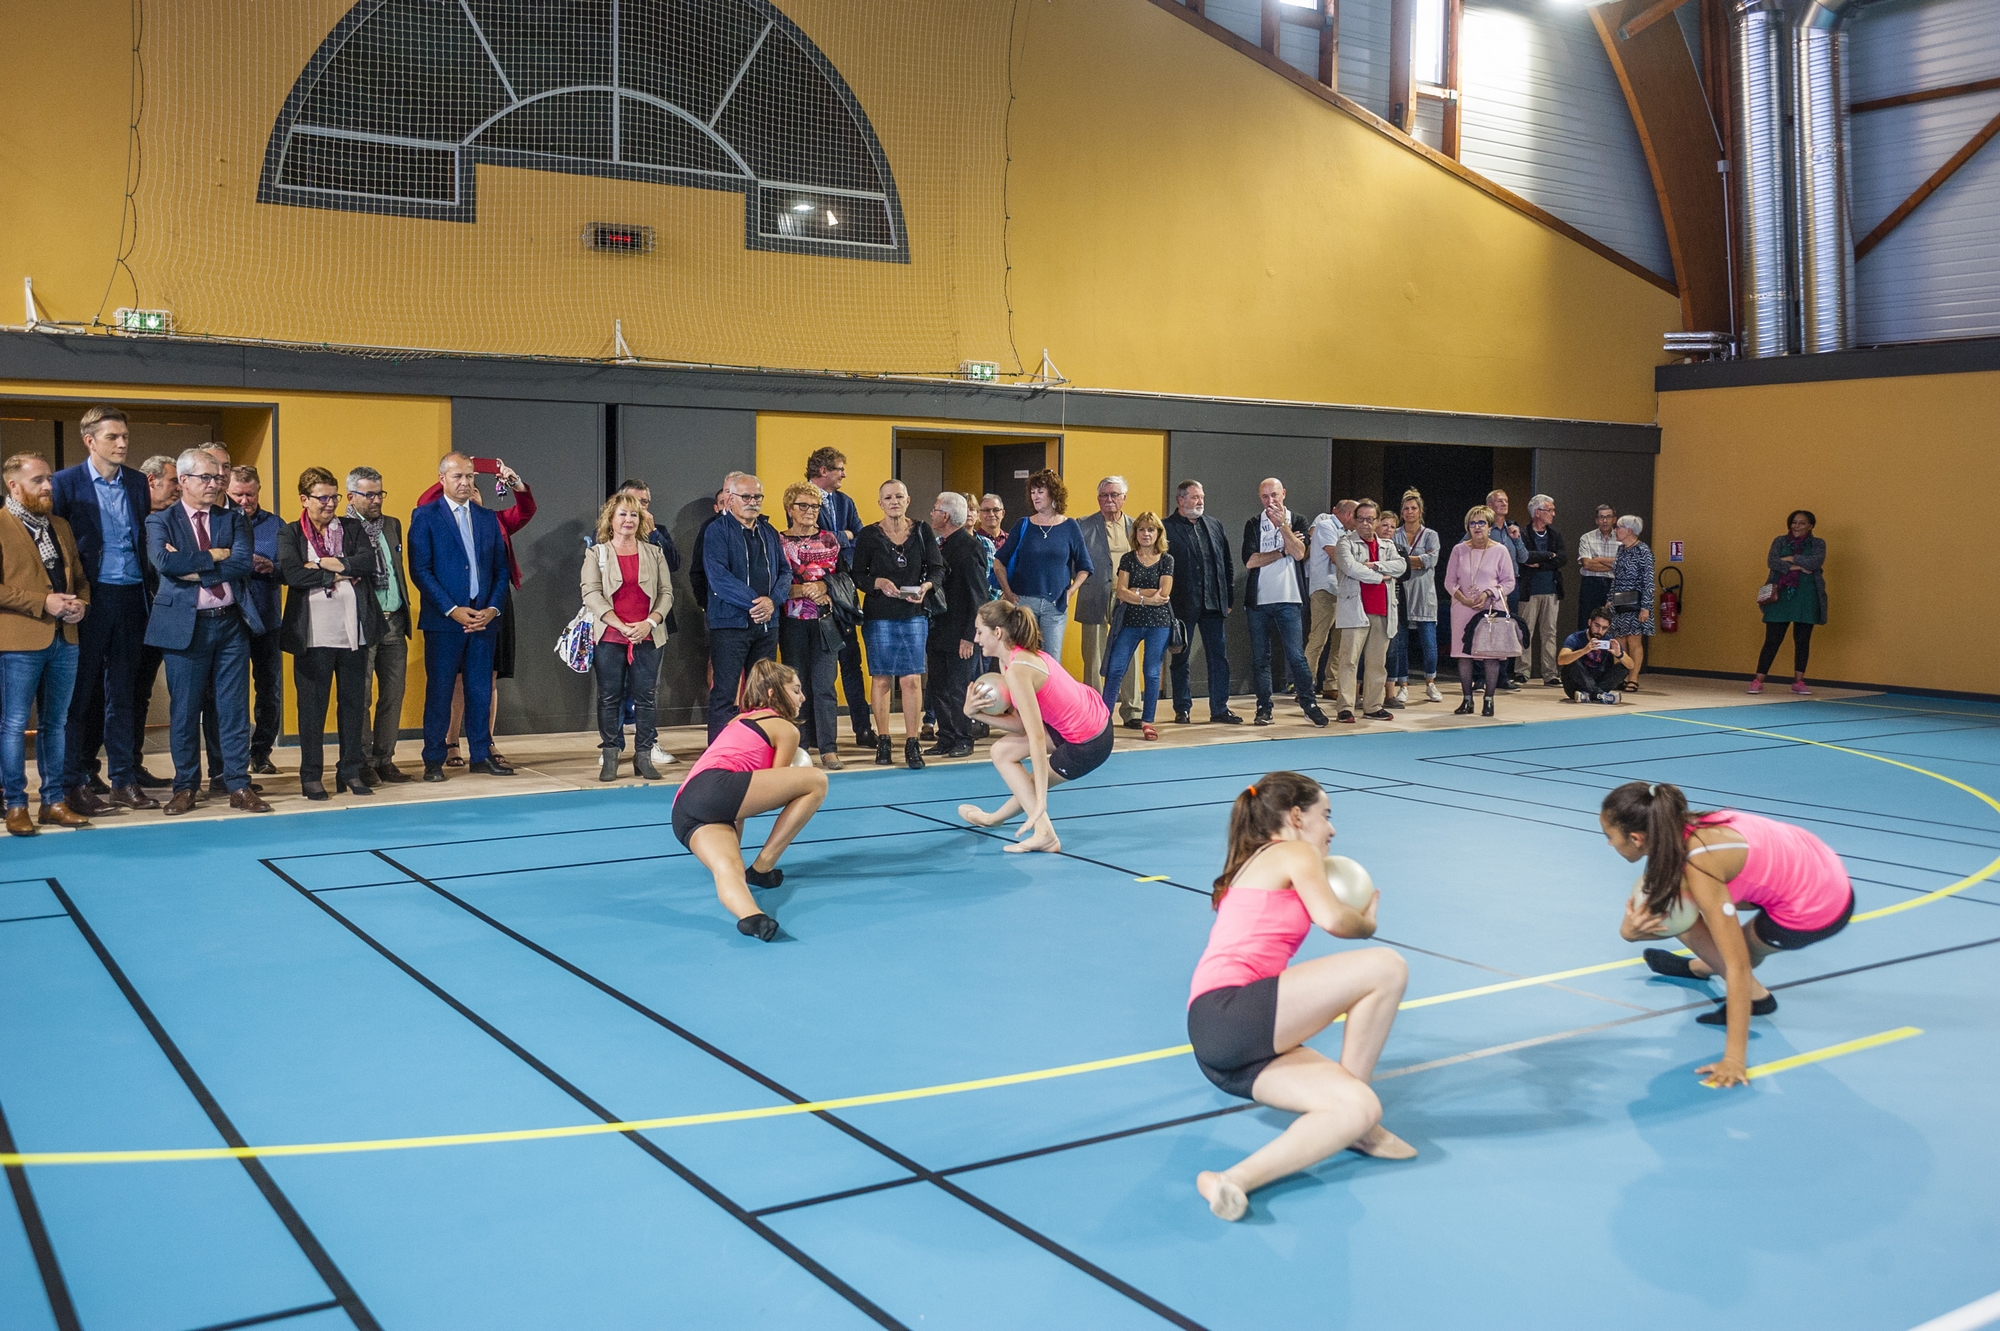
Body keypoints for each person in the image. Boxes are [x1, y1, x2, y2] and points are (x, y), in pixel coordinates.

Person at [1187, 772, 1414, 1222]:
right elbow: (1333, 919)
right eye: (1325, 816)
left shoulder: (1257, 861)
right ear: (1296, 816)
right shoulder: (1290, 850)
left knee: (1358, 1106)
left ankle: (1232, 1180)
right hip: (1230, 1010)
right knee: (1386, 966)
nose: (1331, 829)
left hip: (1225, 1049)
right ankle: (1361, 1124)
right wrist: (1366, 923)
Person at [1603, 780, 1856, 1087]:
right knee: (1673, 902)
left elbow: (1737, 966)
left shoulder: (1701, 864)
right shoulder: (1674, 828)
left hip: (1819, 904)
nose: (1609, 845)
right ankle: (1699, 968)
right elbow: (1665, 913)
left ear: (1636, 838)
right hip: (1813, 860)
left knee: (1740, 956)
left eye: (1609, 837)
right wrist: (1630, 932)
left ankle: (1757, 998)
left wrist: (1734, 1059)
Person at [143, 449, 273, 814]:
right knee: (184, 711)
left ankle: (238, 785)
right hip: (185, 626)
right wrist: (215, 555)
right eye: (207, 478)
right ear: (183, 480)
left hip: (231, 623)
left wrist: (196, 566)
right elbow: (165, 563)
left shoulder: (232, 519)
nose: (215, 484)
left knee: (233, 709)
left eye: (218, 478)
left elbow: (243, 562)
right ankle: (185, 787)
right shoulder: (161, 521)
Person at [672, 659, 827, 943]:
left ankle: (752, 917)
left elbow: (743, 799)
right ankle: (762, 869)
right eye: (796, 690)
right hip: (716, 788)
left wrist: (734, 834)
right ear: (772, 692)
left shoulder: (738, 720)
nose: (803, 697)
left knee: (729, 868)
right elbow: (775, 790)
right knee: (816, 781)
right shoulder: (785, 728)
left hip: (684, 808)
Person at [51, 406, 155, 815]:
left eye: (125, 436)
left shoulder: (135, 482)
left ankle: (124, 781)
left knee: (124, 695)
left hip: (132, 596)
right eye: (113, 437)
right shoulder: (65, 483)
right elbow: (56, 547)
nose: (123, 443)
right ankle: (73, 782)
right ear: (89, 440)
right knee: (81, 696)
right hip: (91, 599)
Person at [957, 600, 1112, 854]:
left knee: (1030, 784)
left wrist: (1040, 800)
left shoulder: (1018, 670)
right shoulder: (1009, 661)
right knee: (1002, 753)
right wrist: (973, 713)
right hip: (1071, 725)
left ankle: (1045, 834)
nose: (976, 639)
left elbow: (1037, 739)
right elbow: (1021, 725)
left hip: (1089, 740)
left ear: (998, 632)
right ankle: (993, 819)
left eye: (979, 632)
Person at [418, 460, 533, 768]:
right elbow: (421, 570)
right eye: (459, 476)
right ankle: (434, 758)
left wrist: (491, 609)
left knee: (482, 689)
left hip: (486, 617)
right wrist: (453, 610)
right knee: (442, 690)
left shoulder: (489, 520)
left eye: (470, 477)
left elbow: (500, 568)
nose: (466, 483)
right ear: (442, 478)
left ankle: (481, 755)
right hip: (445, 619)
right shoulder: (427, 515)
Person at [277, 466, 382, 800]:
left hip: (353, 631)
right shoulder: (291, 533)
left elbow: (368, 563)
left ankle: (350, 770)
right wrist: (336, 572)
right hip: (311, 636)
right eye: (322, 498)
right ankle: (311, 775)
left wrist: (324, 563)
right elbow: (293, 574)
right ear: (304, 499)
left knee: (353, 705)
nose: (330, 504)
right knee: (312, 709)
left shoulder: (352, 528)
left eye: (334, 497)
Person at [0, 454, 91, 834]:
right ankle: (16, 804)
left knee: (57, 723)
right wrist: (44, 602)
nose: (48, 486)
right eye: (38, 480)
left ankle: (53, 801)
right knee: (15, 724)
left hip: (65, 638)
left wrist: (81, 605)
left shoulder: (60, 525)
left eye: (49, 479)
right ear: (14, 486)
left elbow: (81, 580)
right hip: (20, 640)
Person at [582, 493, 672, 782]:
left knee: (646, 698)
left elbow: (666, 594)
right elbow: (591, 595)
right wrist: (619, 625)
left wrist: (649, 622)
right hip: (610, 636)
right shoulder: (596, 554)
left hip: (648, 635)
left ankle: (643, 756)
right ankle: (611, 755)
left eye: (634, 515)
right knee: (610, 697)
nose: (629, 520)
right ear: (610, 519)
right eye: (623, 514)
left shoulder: (655, 553)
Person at [853, 479, 940, 769]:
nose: (894, 501)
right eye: (888, 497)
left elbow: (939, 568)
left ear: (908, 500)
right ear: (880, 503)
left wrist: (927, 586)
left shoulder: (922, 531)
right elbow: (857, 576)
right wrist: (876, 582)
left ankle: (912, 742)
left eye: (899, 496)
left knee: (912, 679)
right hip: (879, 613)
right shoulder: (867, 535)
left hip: (914, 613)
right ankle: (885, 740)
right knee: (881, 677)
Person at [702, 472, 790, 743]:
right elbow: (718, 577)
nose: (753, 502)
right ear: (730, 499)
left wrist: (772, 601)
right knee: (725, 692)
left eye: (757, 497)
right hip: (730, 625)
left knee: (764, 692)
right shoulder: (716, 531)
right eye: (746, 497)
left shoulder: (769, 532)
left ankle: (756, 746)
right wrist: (757, 603)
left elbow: (785, 572)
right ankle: (718, 754)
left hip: (767, 626)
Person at [1241, 478, 1328, 728]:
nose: (1271, 501)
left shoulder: (1297, 520)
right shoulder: (1253, 524)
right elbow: (1250, 561)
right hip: (1258, 602)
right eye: (1266, 497)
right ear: (1260, 498)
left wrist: (1283, 528)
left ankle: (1309, 704)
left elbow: (1300, 553)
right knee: (1261, 658)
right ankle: (1264, 708)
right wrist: (1281, 552)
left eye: (1275, 495)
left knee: (1296, 656)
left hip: (1289, 599)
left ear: (1284, 494)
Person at [345, 467, 413, 783]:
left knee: (393, 693)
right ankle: (361, 762)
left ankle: (385, 758)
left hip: (394, 620)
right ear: (351, 497)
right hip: (361, 622)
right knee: (361, 696)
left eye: (379, 493)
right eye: (369, 494)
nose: (376, 500)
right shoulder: (341, 527)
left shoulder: (392, 525)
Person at [807, 447, 874, 749]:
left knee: (851, 659)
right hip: (815, 591)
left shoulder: (845, 501)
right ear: (823, 471)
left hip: (845, 587)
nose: (844, 475)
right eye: (840, 469)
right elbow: (813, 539)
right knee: (819, 667)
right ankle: (816, 735)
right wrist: (841, 536)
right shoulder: (803, 498)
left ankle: (862, 726)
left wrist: (840, 537)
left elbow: (859, 536)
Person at [778, 481, 846, 769]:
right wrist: (801, 590)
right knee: (796, 687)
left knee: (824, 686)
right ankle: (800, 746)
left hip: (824, 622)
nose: (809, 511)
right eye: (803, 505)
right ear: (789, 509)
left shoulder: (830, 539)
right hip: (791, 622)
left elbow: (844, 578)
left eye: (814, 506)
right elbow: (775, 582)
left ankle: (829, 749)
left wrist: (826, 589)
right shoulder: (778, 540)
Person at [225, 466, 287, 777]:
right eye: (238, 494)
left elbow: (293, 569)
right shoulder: (220, 522)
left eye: (250, 494)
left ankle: (261, 752)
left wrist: (271, 567)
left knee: (270, 690)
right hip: (231, 621)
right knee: (231, 692)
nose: (245, 500)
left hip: (267, 620)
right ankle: (231, 758)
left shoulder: (276, 525)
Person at [1163, 481, 1238, 725]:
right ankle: (1182, 708)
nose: (1200, 502)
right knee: (1180, 658)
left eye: (1202, 497)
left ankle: (1219, 708)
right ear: (1181, 500)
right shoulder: (1166, 528)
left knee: (1219, 657)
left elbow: (1226, 562)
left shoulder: (1214, 525)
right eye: (1195, 497)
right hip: (1182, 604)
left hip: (1214, 603)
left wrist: (1228, 597)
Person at [1098, 510, 1174, 740]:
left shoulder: (1167, 559)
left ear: (1158, 533)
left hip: (1158, 624)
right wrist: (1146, 598)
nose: (1146, 533)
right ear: (1136, 533)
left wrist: (1136, 593)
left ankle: (1148, 721)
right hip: (1129, 622)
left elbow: (1165, 592)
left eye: (1150, 529)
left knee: (1151, 673)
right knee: (1115, 670)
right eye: (1141, 529)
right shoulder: (1128, 559)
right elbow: (1121, 591)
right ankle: (1102, 721)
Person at [925, 492, 991, 760]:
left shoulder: (970, 548)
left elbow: (979, 596)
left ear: (946, 516)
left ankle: (963, 738)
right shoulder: (940, 545)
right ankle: (947, 737)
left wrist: (969, 636)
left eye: (935, 508)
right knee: (938, 686)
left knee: (958, 689)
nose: (931, 513)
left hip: (960, 633)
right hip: (939, 629)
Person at [1002, 469, 1092, 660]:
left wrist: (1071, 591)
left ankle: (1048, 692)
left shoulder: (1070, 526)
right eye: (1033, 492)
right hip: (1025, 602)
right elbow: (998, 562)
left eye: (1040, 492)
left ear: (1053, 493)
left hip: (1056, 604)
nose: (1035, 496)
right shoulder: (1023, 524)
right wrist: (1008, 592)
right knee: (1023, 657)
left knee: (1052, 660)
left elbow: (1085, 566)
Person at [1329, 499, 1405, 723]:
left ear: (1377, 520)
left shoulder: (1387, 546)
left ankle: (1373, 705)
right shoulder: (1345, 543)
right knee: (1349, 661)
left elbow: (1401, 566)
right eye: (1360, 519)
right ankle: (1345, 707)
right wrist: (1380, 576)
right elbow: (1351, 568)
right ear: (1353, 519)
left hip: (1382, 610)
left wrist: (1376, 565)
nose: (1365, 524)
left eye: (1370, 520)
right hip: (1355, 609)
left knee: (1376, 663)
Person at [130, 454, 181, 789]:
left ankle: (134, 768)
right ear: (152, 481)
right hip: (133, 621)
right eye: (174, 480)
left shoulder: (177, 522)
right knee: (128, 695)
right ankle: (117, 770)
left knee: (146, 695)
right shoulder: (131, 520)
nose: (179, 487)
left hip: (172, 619)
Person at [1076, 476, 1139, 724]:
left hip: (1128, 597)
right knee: (1093, 656)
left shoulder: (1136, 526)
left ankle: (1132, 710)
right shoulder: (1082, 525)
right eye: (1104, 495)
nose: (1109, 500)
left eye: (1114, 495)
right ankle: (1095, 711)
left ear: (1124, 498)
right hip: (1093, 595)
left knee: (1129, 653)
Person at [1444, 505, 1517, 717]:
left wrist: (1488, 593)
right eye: (1472, 523)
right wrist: (1463, 599)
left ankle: (1489, 700)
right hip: (1462, 608)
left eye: (1481, 523)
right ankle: (1467, 699)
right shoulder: (1459, 550)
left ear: (1490, 526)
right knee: (1464, 655)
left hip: (1491, 608)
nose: (1477, 527)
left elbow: (1509, 582)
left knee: (1490, 655)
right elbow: (1449, 582)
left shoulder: (1500, 550)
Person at [1749, 509, 1825, 696]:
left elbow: (1815, 562)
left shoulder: (1818, 543)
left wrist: (1790, 559)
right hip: (1780, 596)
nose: (1796, 526)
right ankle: (1758, 680)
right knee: (1772, 640)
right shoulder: (1780, 541)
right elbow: (1772, 561)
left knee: (1802, 640)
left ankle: (1798, 682)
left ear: (1810, 526)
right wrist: (1799, 565)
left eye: (1801, 523)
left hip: (1806, 597)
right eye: (1794, 522)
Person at [1389, 489, 1441, 706]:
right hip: (1401, 594)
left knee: (1429, 643)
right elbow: (1390, 559)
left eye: (1413, 508)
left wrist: (1403, 561)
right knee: (1400, 643)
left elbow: (1431, 560)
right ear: (1401, 512)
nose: (1409, 512)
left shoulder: (1431, 535)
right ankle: (1403, 685)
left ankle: (1430, 682)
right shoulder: (1394, 534)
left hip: (1424, 595)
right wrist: (1415, 560)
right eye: (1406, 508)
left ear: (1420, 511)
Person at [1305, 499, 1357, 701]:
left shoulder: (1349, 533)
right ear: (1349, 514)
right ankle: (1305, 686)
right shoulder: (1326, 525)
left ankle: (1331, 684)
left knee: (1339, 641)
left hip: (1343, 591)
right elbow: (1336, 556)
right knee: (1318, 639)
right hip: (1324, 589)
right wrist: (1362, 565)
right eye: (1357, 516)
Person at [1517, 495, 1565, 686]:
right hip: (1528, 590)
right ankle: (1522, 671)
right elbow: (1525, 557)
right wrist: (1547, 556)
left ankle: (1550, 673)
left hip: (1551, 589)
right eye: (1550, 510)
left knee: (1550, 633)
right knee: (1524, 631)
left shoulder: (1555, 535)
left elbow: (1562, 558)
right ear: (1538, 512)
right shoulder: (1522, 533)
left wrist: (1541, 564)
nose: (1553, 514)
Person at [1486, 489, 1528, 689]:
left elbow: (1524, 558)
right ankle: (1480, 676)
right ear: (1489, 506)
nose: (1504, 504)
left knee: (1506, 631)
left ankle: (1502, 677)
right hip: (1489, 589)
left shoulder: (1513, 529)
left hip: (1511, 588)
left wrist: (1517, 539)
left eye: (1506, 500)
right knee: (1486, 630)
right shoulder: (1483, 528)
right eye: (1499, 501)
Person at [1608, 515, 1655, 692]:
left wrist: (1646, 607)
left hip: (1636, 602)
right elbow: (1616, 577)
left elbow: (1648, 580)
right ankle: (1619, 676)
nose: (1615, 530)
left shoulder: (1643, 551)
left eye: (1618, 527)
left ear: (1629, 530)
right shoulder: (1621, 550)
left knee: (1634, 640)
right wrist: (1609, 599)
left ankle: (1633, 678)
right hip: (1619, 601)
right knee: (1619, 641)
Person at [1557, 607, 1632, 703]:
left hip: (1598, 678)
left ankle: (1591, 695)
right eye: (1597, 626)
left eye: (1604, 628)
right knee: (1572, 661)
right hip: (1576, 683)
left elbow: (1631, 665)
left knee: (1623, 667)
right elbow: (1561, 660)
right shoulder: (1575, 638)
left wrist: (1619, 654)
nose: (1599, 631)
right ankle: (1599, 695)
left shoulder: (1609, 640)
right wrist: (1584, 650)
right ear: (1589, 622)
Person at [1575, 504, 1620, 631]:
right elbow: (1587, 564)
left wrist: (1598, 560)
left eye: (1608, 517)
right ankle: (1587, 650)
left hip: (1614, 584)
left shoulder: (1621, 538)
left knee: (1612, 623)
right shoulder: (1586, 538)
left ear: (1614, 519)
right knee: (1587, 621)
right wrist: (1614, 565)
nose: (1604, 521)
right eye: (1601, 517)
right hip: (1591, 585)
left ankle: (1608, 651)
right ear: (1596, 520)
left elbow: (1623, 565)